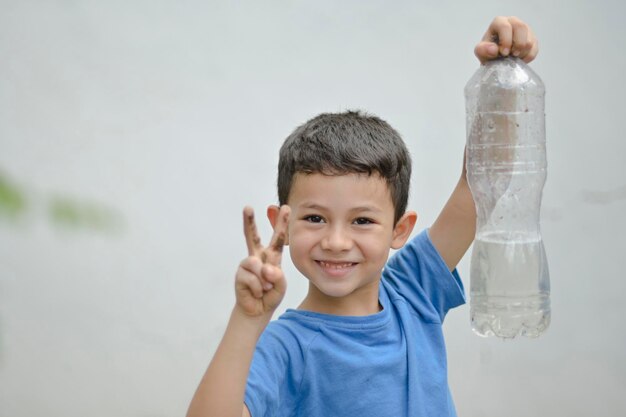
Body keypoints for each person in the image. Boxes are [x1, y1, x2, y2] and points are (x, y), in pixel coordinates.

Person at [187, 16, 539, 417]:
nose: (336, 241)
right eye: (316, 219)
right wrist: (248, 320)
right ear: (281, 223)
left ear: (399, 229)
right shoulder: (285, 348)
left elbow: (481, 185)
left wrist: (500, 79)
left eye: (362, 221)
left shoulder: (413, 290)